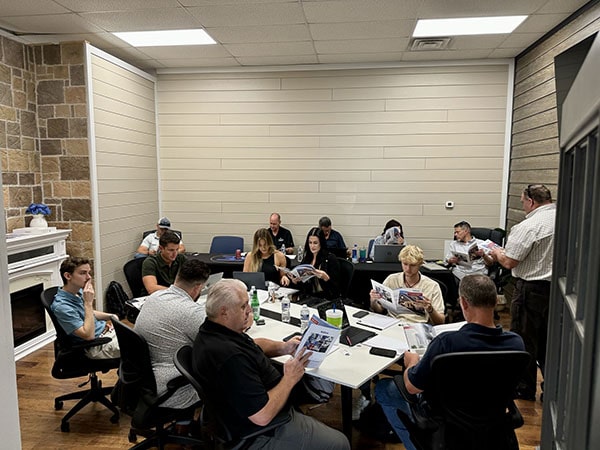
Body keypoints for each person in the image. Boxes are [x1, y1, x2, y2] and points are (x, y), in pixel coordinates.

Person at [192, 279, 350, 450]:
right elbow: (262, 417)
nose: (249, 310)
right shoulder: (230, 358)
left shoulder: (215, 331)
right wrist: (290, 378)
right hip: (261, 431)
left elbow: (254, 344)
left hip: (251, 410)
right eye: (243, 306)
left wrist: (283, 347)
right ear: (224, 312)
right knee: (340, 443)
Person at [375, 274, 525, 449]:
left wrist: (412, 363)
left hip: (447, 429)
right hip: (493, 426)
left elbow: (411, 387)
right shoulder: (516, 343)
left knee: (384, 388)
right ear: (494, 301)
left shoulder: (446, 342)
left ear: (464, 303)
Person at [489, 184, 556, 401]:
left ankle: (524, 388)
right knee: (551, 341)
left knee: (525, 340)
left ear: (531, 201)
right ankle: (552, 389)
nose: (523, 207)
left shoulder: (530, 225)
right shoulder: (565, 219)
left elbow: (509, 261)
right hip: (560, 290)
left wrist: (497, 252)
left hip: (532, 289)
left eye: (522, 202)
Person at [135, 259, 210, 409]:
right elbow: (221, 344)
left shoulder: (154, 297)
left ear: (177, 277)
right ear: (198, 287)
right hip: (172, 389)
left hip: (142, 383)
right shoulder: (192, 312)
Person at [51, 257, 120, 359]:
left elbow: (88, 314)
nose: (88, 277)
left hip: (106, 334)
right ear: (68, 276)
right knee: (142, 349)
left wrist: (110, 316)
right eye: (83, 273)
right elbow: (88, 335)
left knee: (143, 339)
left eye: (89, 273)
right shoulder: (61, 307)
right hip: (95, 346)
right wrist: (88, 303)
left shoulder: (77, 292)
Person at [370, 245, 445, 325]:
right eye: (405, 264)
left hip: (418, 325)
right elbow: (379, 310)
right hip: (393, 323)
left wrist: (430, 309)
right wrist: (373, 301)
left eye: (412, 265)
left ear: (420, 264)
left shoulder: (432, 286)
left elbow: (440, 322)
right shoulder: (391, 279)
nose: (408, 269)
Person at [290, 227, 341, 299]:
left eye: (315, 243)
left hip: (324, 297)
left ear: (321, 243)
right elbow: (303, 285)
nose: (312, 246)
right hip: (308, 296)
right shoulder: (307, 258)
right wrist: (295, 281)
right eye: (310, 243)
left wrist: (326, 277)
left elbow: (335, 288)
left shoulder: (330, 258)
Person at [141, 230, 187, 295]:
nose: (175, 253)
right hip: (156, 297)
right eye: (171, 250)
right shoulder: (150, 262)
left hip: (175, 296)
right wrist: (176, 292)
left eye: (177, 249)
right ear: (161, 248)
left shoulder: (181, 258)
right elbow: (151, 288)